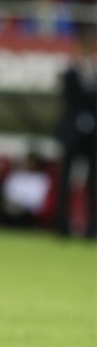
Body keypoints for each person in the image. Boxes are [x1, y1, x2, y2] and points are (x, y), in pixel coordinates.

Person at [55, 28, 97, 238]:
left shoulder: (94, 72)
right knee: (65, 180)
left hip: (93, 136)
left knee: (93, 183)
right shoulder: (71, 72)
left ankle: (92, 228)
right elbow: (68, 100)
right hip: (72, 133)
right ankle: (62, 225)